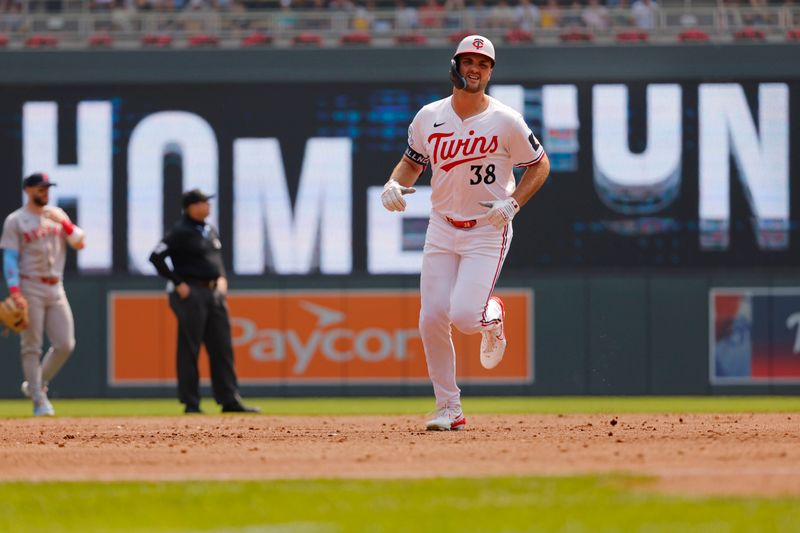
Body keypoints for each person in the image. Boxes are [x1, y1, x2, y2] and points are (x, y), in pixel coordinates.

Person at [380, 35, 550, 431]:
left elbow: (539, 166)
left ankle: (493, 317)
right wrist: (392, 183)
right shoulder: (429, 116)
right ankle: (449, 408)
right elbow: (411, 162)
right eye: (469, 60)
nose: (475, 68)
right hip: (441, 226)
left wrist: (514, 203)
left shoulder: (505, 119)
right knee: (431, 318)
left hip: (488, 228)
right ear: (454, 65)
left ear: (490, 72)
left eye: (484, 63)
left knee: (465, 316)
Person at [149, 189, 259, 415]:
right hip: (192, 293)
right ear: (191, 206)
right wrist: (178, 283)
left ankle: (229, 399)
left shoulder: (208, 230)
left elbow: (215, 260)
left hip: (214, 293)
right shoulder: (181, 231)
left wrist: (221, 278)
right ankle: (191, 402)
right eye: (203, 203)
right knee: (190, 348)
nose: (208, 206)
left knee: (222, 347)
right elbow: (156, 257)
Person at [1, 172, 86, 416]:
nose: (45, 192)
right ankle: (39, 399)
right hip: (30, 286)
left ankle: (33, 384)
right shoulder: (16, 220)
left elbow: (80, 242)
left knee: (65, 344)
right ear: (28, 190)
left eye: (47, 188)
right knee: (32, 347)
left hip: (55, 286)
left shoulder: (56, 216)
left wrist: (65, 223)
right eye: (40, 188)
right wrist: (15, 291)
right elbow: (10, 258)